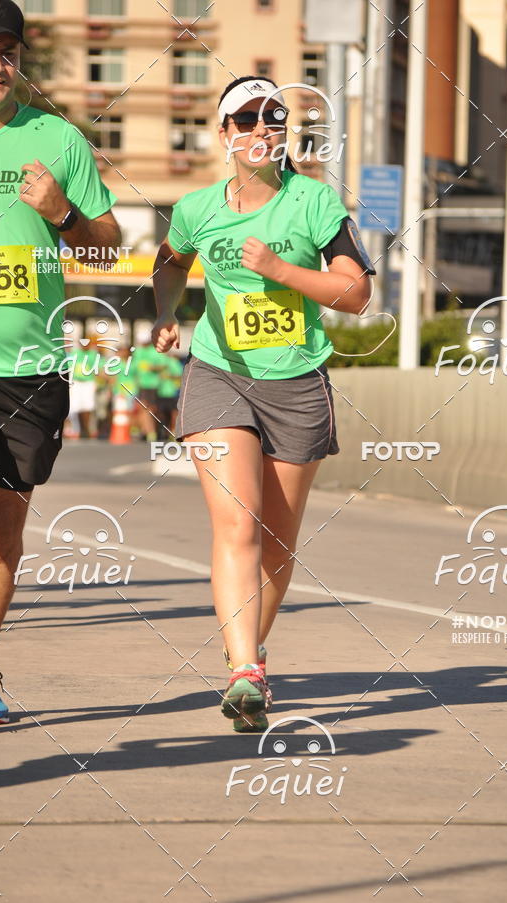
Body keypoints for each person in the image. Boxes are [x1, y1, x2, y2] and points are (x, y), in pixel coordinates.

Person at [151, 75, 375, 732]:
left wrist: (281, 272)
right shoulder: (197, 207)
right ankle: (244, 671)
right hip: (219, 374)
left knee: (276, 542)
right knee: (239, 524)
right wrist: (169, 313)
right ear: (223, 134)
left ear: (285, 133)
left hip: (297, 381)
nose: (259, 131)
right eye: (244, 120)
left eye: (272, 119)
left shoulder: (313, 204)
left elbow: (356, 292)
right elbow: (169, 261)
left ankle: (250, 649)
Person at [0, 0, 121, 724]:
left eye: (7, 49)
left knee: (4, 531)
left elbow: (105, 246)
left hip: (28, 363)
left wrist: (62, 212)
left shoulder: (57, 140)